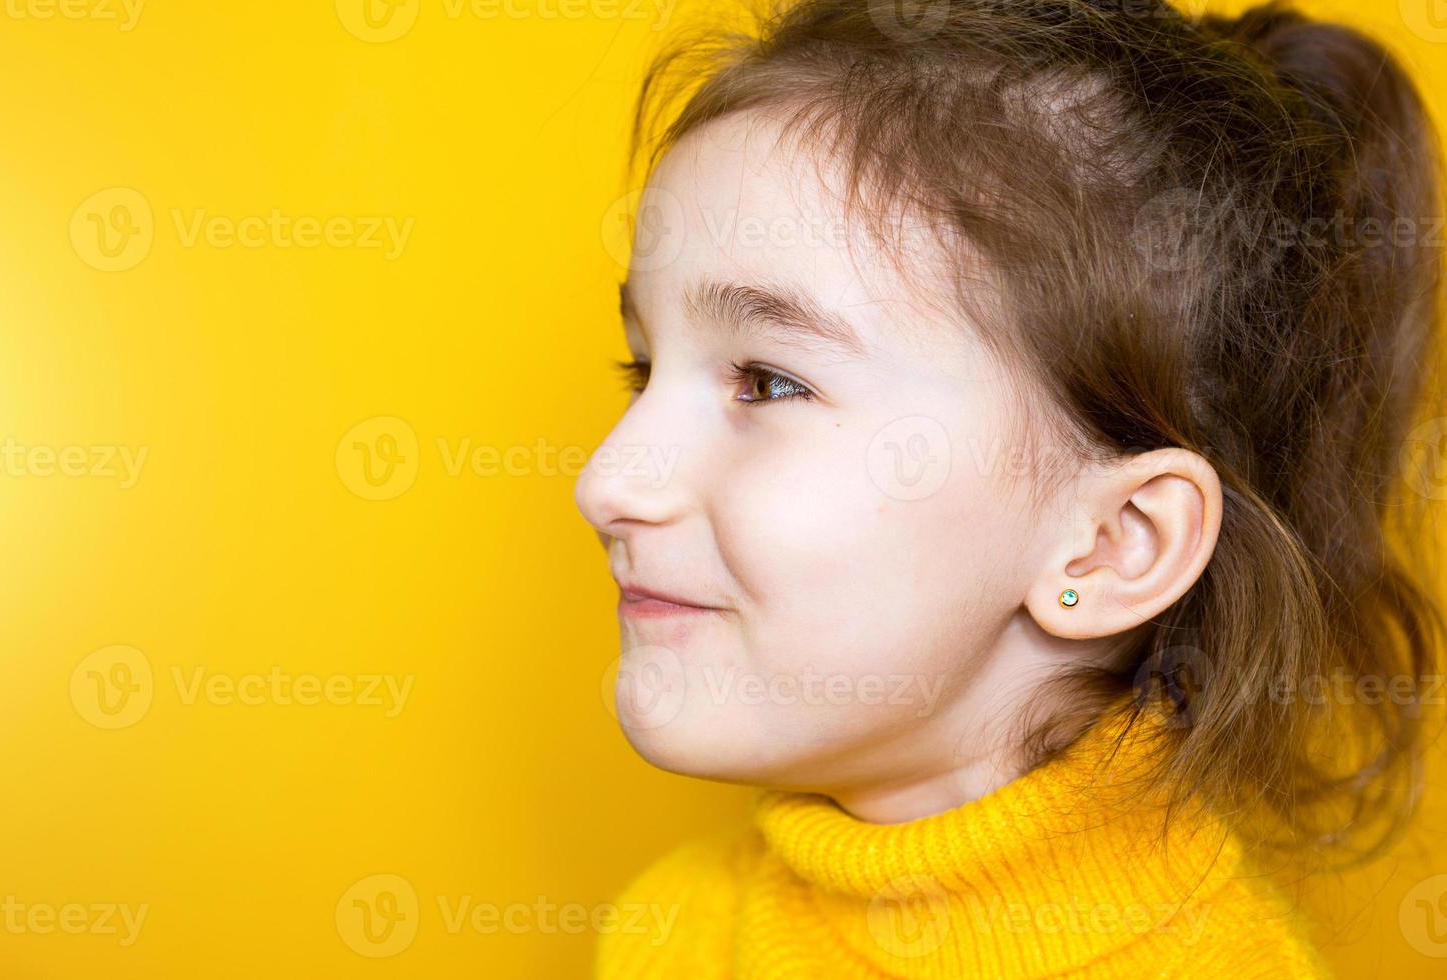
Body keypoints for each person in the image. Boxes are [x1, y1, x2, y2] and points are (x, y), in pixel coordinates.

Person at [574, 0, 1447, 974]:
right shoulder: (669, 929)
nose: (605, 478)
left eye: (770, 382)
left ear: (1112, 543)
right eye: (642, 370)